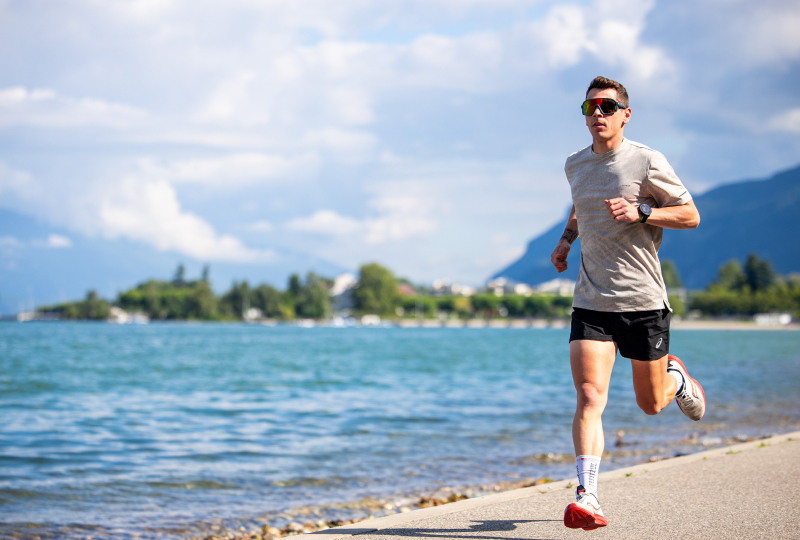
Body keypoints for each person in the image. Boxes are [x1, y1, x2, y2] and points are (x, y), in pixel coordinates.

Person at [550, 76, 706, 531]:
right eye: (589, 107)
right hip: (592, 299)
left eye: (606, 106)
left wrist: (643, 212)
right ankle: (588, 495)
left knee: (650, 405)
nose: (597, 114)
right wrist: (565, 241)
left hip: (643, 300)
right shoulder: (575, 165)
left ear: (625, 114)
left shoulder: (646, 160)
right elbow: (581, 207)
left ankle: (674, 378)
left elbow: (691, 215)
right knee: (588, 395)